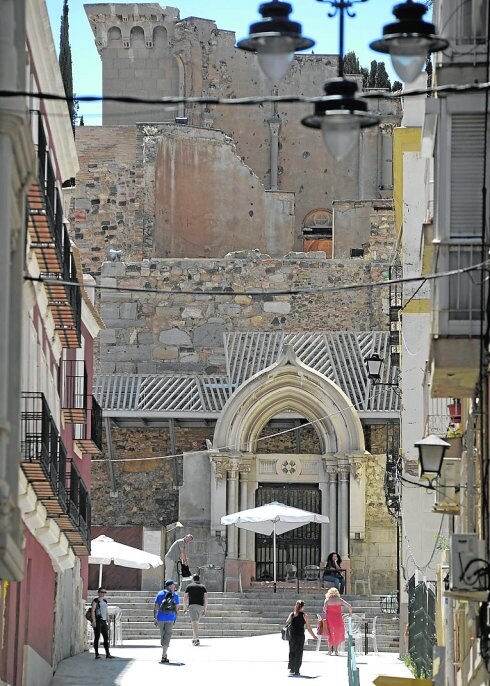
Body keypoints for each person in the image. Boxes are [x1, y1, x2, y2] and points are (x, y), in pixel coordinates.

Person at [286, 599, 316, 676]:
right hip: (300, 636)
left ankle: (292, 669)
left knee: (292, 652)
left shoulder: (292, 614)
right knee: (299, 652)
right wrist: (314, 636)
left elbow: (287, 622)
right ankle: (297, 670)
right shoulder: (304, 615)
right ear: (302, 607)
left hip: (292, 636)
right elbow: (309, 628)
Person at [154, 580, 180, 663]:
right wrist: (175, 618)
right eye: (173, 585)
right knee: (168, 635)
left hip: (160, 617)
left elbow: (156, 607)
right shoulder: (175, 594)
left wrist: (155, 618)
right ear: (169, 586)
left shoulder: (160, 593)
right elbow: (176, 608)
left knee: (163, 635)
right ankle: (164, 654)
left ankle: (164, 653)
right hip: (170, 617)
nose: (174, 587)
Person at [323, 587, 352, 655]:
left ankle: (330, 651)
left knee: (330, 634)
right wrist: (350, 614)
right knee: (337, 633)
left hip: (330, 618)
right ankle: (336, 650)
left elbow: (324, 609)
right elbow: (349, 606)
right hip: (338, 618)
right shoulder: (339, 599)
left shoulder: (327, 600)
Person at [183, 573, 208, 645]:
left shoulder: (189, 586)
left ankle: (196, 638)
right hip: (200, 606)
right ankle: (194, 638)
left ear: (193, 579)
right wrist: (205, 609)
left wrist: (185, 608)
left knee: (194, 622)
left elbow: (185, 598)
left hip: (192, 605)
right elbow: (206, 598)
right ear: (199, 579)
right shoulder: (203, 587)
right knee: (196, 622)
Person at [90, 587, 114, 659]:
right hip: (98, 621)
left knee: (106, 638)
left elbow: (106, 611)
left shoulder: (105, 601)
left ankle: (107, 653)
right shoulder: (95, 601)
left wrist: (108, 621)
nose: (103, 593)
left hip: (104, 621)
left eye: (104, 592)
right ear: (99, 592)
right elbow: (93, 611)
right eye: (102, 592)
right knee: (97, 637)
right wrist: (94, 621)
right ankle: (97, 654)